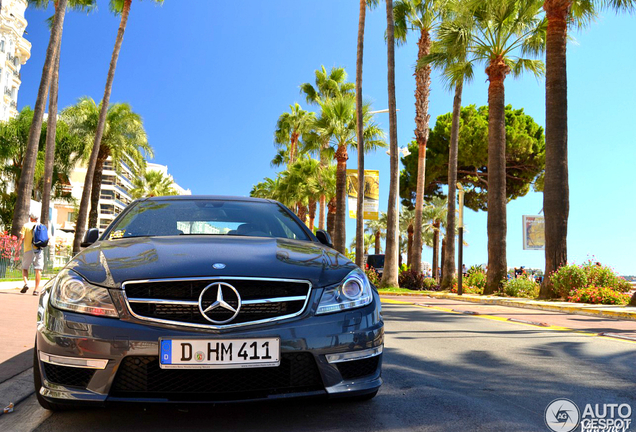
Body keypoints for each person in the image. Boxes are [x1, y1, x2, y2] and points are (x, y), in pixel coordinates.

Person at [15, 213, 43, 295]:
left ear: (31, 218)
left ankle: (26, 283)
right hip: (38, 250)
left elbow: (22, 238)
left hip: (28, 250)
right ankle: (36, 290)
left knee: (25, 268)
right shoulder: (41, 226)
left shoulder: (26, 225)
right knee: (38, 269)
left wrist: (17, 248)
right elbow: (48, 237)